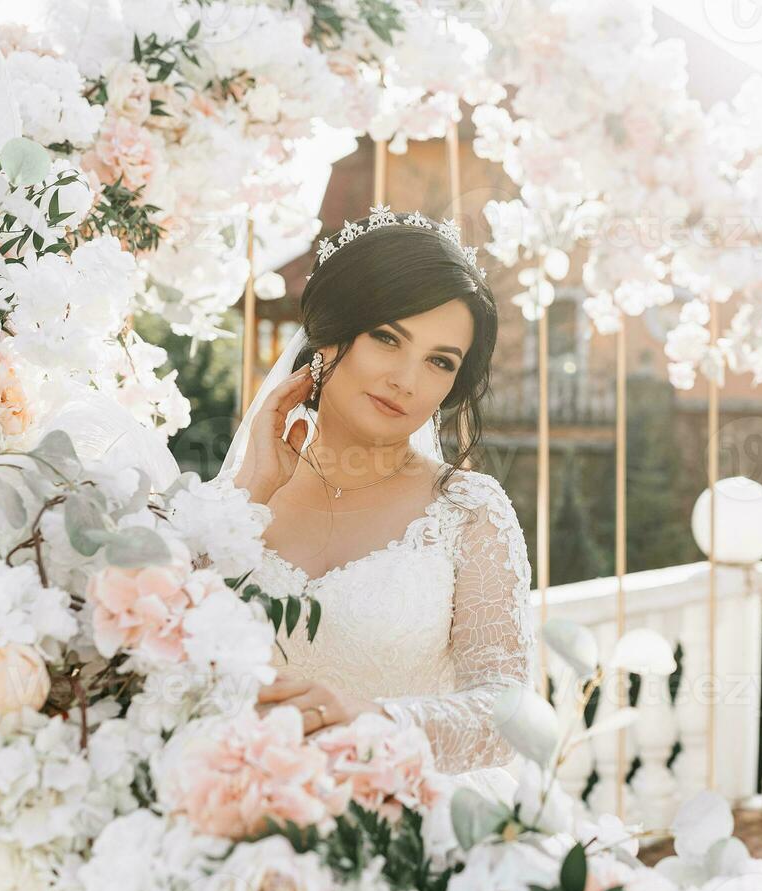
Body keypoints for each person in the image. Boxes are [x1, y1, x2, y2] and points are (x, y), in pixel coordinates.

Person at [218, 206, 535, 797]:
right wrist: (250, 493)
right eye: (388, 338)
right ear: (332, 334)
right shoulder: (227, 505)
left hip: (407, 822)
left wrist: (377, 721)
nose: (407, 380)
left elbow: (508, 713)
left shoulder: (468, 512)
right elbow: (157, 660)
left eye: (440, 362)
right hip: (237, 817)